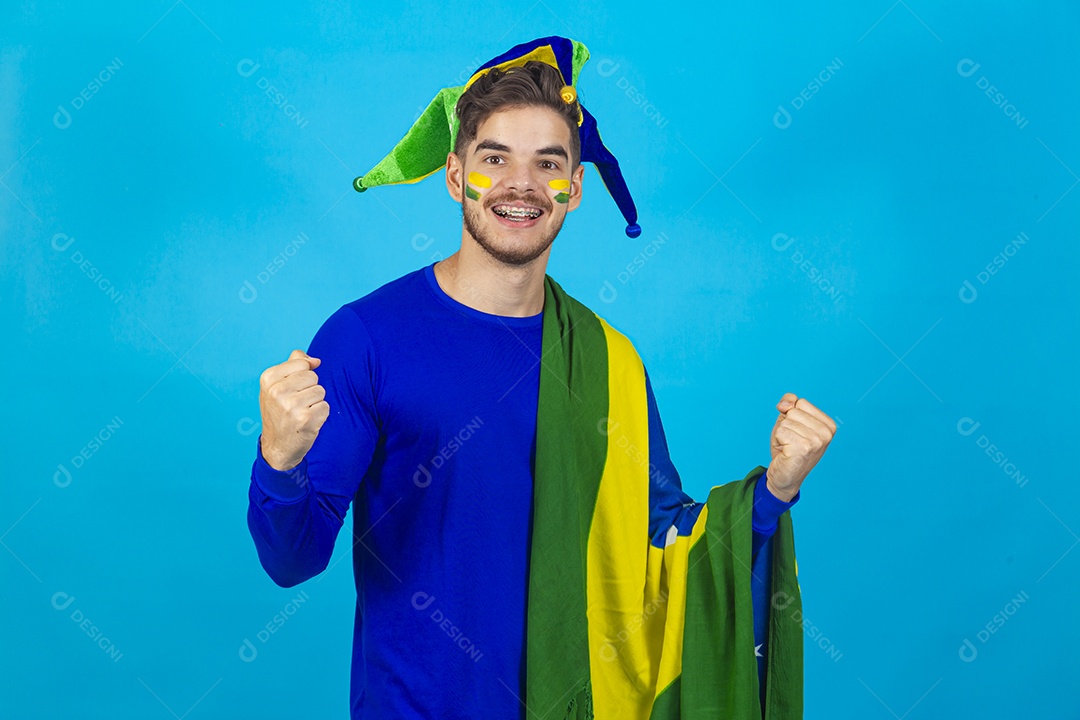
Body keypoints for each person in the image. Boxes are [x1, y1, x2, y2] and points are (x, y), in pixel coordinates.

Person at [248, 42, 836, 720]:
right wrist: (280, 461)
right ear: (453, 175)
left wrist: (776, 489)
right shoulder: (366, 339)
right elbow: (291, 561)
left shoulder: (609, 359)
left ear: (575, 188)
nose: (520, 184)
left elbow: (662, 544)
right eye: (495, 158)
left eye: (547, 164)